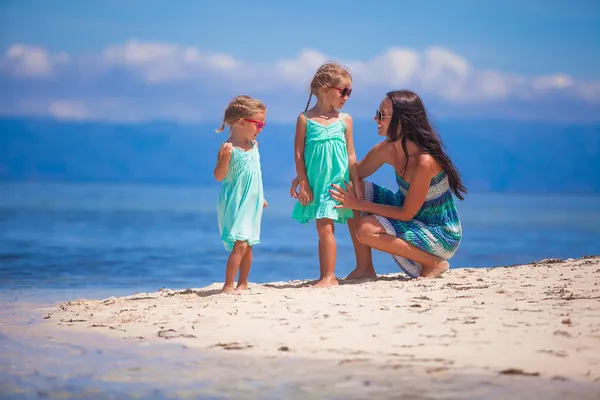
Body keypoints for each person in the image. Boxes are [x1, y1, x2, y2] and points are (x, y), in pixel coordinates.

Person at [328, 90, 466, 279]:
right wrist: (306, 176)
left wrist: (358, 205)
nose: (375, 118)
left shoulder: (424, 161)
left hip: (439, 232)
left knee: (365, 229)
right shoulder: (387, 149)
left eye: (382, 114)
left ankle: (432, 263)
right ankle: (364, 268)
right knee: (351, 187)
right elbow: (352, 174)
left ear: (401, 121)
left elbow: (406, 214)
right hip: (409, 218)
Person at [290, 62, 361, 287]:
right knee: (322, 228)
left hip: (337, 183)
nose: (347, 96)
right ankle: (326, 275)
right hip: (316, 183)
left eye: (350, 92)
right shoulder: (305, 119)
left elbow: (351, 155)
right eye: (343, 91)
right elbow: (300, 155)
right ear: (324, 89)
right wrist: (303, 182)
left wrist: (355, 182)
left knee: (325, 227)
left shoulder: (345, 120)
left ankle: (329, 277)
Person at [214, 95, 268, 294]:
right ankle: (228, 285)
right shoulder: (228, 148)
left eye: (263, 124)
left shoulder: (254, 147)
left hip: (252, 201)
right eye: (258, 124)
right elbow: (219, 176)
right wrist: (225, 158)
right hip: (235, 201)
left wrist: (260, 196)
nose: (261, 128)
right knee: (241, 243)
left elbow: (256, 174)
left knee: (249, 244)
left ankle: (243, 283)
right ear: (240, 122)